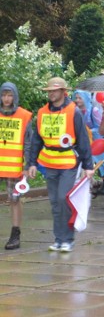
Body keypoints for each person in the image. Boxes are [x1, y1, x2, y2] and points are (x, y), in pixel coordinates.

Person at [26, 77, 94, 252]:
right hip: (49, 162)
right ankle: (58, 239)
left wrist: (88, 166)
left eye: (54, 91)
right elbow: (37, 140)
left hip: (68, 162)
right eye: (49, 91)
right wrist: (31, 163)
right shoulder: (42, 113)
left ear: (64, 92)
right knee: (55, 202)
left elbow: (83, 140)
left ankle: (68, 239)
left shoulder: (73, 112)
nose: (51, 93)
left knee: (64, 199)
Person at [0, 82, 33, 249]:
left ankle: (15, 234)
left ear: (15, 96)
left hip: (14, 167)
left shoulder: (24, 116)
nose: (6, 98)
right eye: (4, 95)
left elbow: (28, 143)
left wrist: (27, 166)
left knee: (14, 200)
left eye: (9, 95)